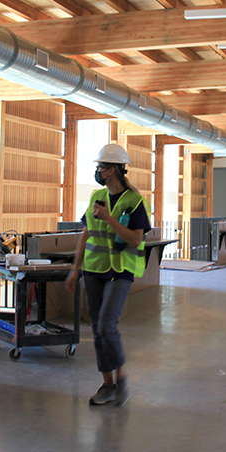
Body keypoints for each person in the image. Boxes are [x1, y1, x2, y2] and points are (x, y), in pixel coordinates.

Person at [66, 143, 151, 407]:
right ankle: (107, 385)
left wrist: (108, 218)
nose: (98, 171)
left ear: (111, 170)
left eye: (101, 167)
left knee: (106, 326)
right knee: (97, 329)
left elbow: (135, 239)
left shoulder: (134, 201)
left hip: (120, 270)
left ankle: (121, 378)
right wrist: (75, 269)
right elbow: (86, 234)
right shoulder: (96, 196)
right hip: (93, 270)